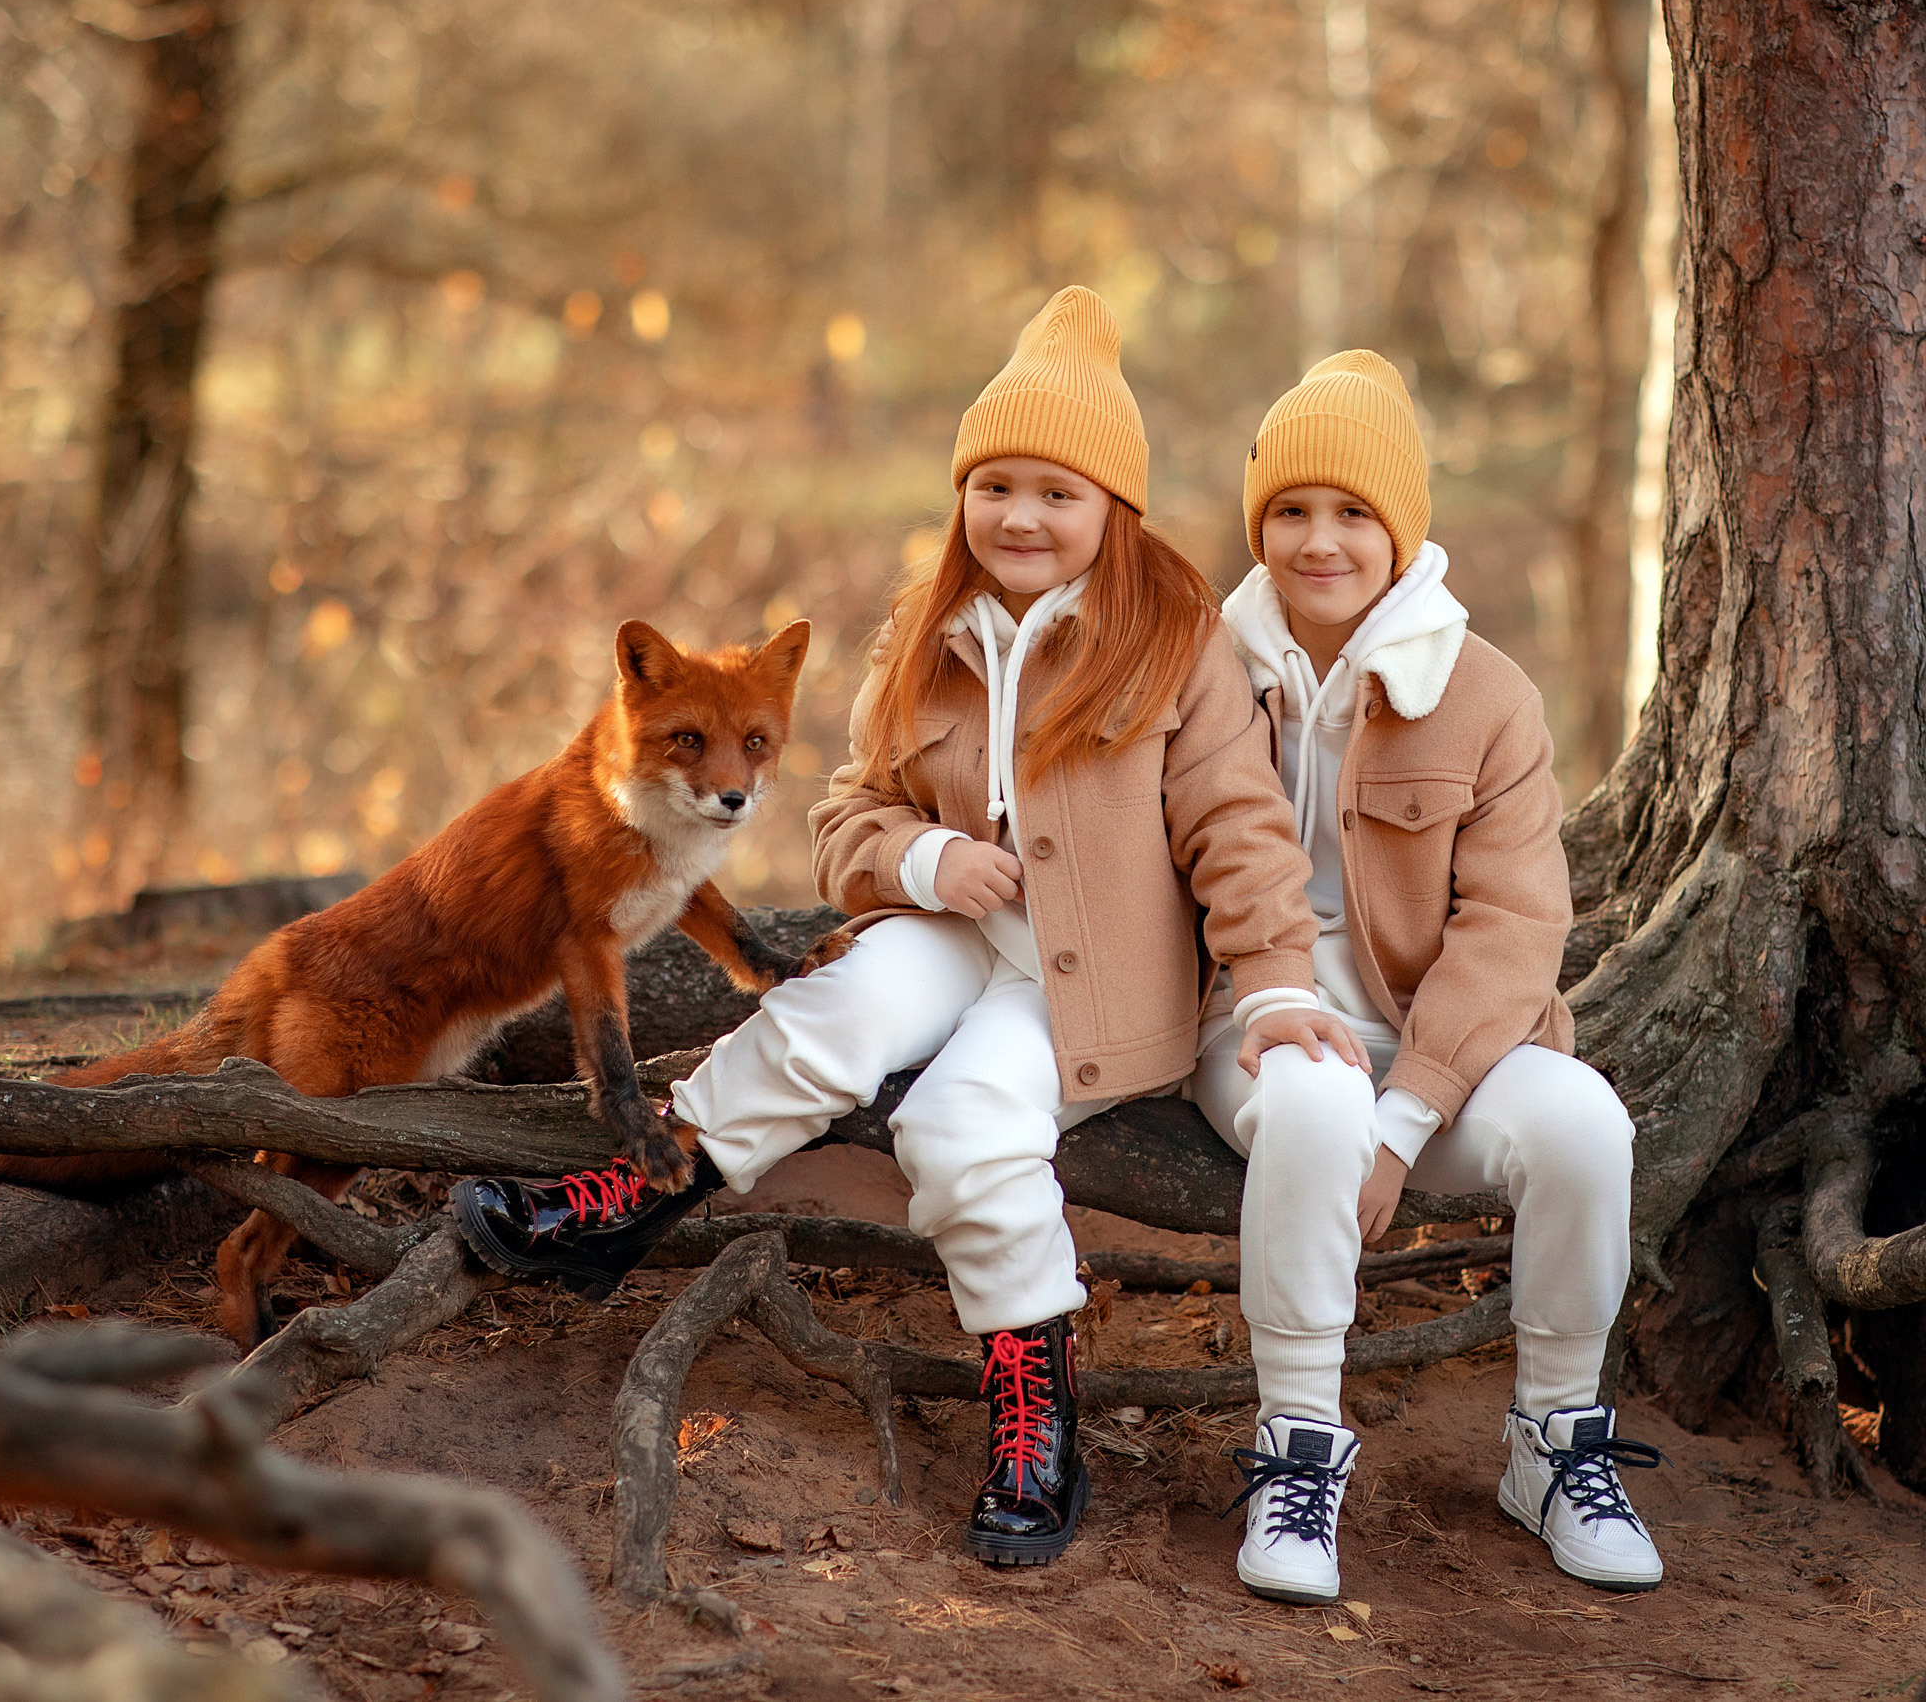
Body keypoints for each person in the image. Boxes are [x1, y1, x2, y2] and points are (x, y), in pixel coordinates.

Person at [454, 286, 1344, 1566]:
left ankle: (1035, 1409)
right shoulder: (925, 630)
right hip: (953, 928)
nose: (1020, 516)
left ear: (1113, 508)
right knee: (828, 1010)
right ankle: (636, 1192)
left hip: (1089, 980)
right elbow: (845, 810)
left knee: (958, 1125)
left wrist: (1272, 985)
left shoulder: (1174, 644)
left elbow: (1238, 828)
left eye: (1057, 492)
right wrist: (921, 856)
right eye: (994, 487)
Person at [1193, 350, 1663, 1606]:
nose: (1319, 541)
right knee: (1310, 1101)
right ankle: (1296, 1445)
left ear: (1400, 531)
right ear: (1256, 524)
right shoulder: (1199, 669)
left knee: (1583, 1124)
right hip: (1253, 1022)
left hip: (1437, 1037)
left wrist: (1403, 1122)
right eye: (1291, 510)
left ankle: (1553, 1441)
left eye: (1353, 512)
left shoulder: (1485, 694)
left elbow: (1512, 924)